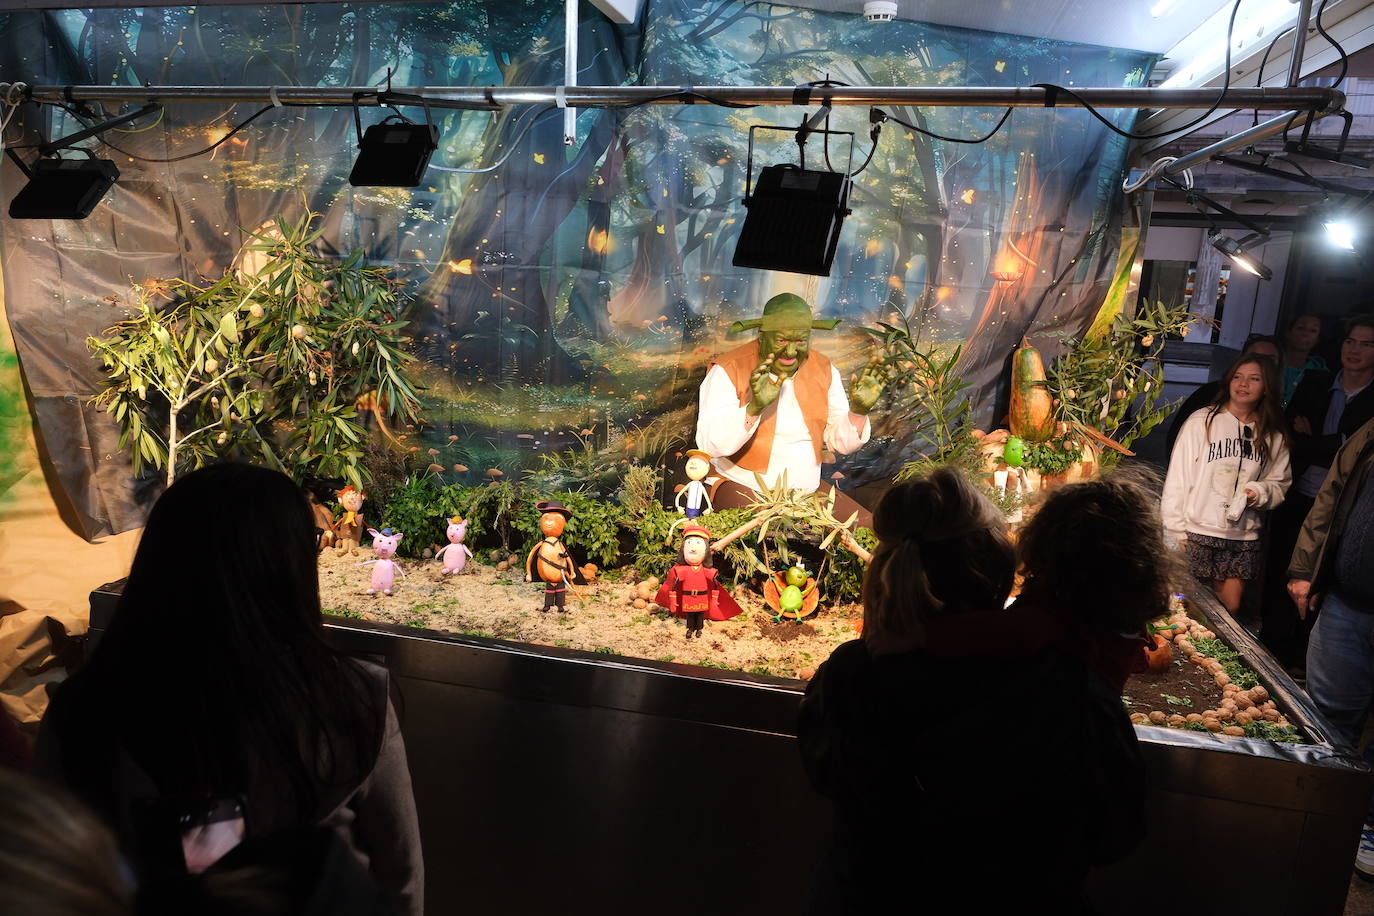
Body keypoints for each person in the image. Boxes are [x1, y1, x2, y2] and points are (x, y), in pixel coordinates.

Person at [33, 463, 423, 916]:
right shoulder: (355, 696)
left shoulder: (84, 707)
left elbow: (46, 879)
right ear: (287, 563)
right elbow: (400, 873)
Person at [797, 469, 1143, 915]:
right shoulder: (1068, 685)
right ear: (997, 570)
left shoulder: (851, 673)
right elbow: (1117, 833)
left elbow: (830, 778)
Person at [695, 293, 889, 527]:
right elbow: (711, 446)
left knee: (868, 532)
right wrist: (754, 407)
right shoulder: (728, 369)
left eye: (799, 342)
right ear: (761, 336)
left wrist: (858, 412)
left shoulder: (825, 369)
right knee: (767, 536)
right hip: (741, 484)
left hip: (807, 491)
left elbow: (842, 444)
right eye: (781, 341)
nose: (790, 353)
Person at [1284, 417, 1374, 878]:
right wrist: (1306, 568)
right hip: (1348, 601)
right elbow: (1332, 496)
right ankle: (1313, 819)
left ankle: (1370, 826)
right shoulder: (1371, 430)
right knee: (1326, 718)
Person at [1262, 314, 1374, 667]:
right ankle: (1269, 657)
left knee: (1317, 587)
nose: (1355, 350)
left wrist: (1315, 440)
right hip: (1299, 494)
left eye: (1366, 344)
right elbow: (1287, 437)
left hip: (1343, 507)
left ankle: (1301, 663)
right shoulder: (1316, 381)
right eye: (1350, 341)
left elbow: (1346, 453)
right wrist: (1322, 443)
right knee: (1281, 572)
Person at [1163, 354, 1291, 616]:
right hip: (1196, 531)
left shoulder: (1272, 433)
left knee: (1228, 610)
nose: (1243, 384)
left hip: (1241, 537)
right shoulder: (1203, 421)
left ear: (1266, 386)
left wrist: (1259, 492)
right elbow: (1178, 477)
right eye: (1238, 377)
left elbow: (1280, 483)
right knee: (1180, 606)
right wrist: (1174, 532)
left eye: (1254, 379)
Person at [1165, 334, 1281, 457]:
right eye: (1255, 357)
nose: (1260, 365)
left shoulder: (1275, 416)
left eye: (1270, 359)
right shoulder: (1206, 399)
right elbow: (1177, 446)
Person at [1280, 313, 1328, 406]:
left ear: (1317, 339)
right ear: (1288, 333)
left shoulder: (1320, 370)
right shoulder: (1272, 362)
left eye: (1313, 330)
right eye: (1300, 328)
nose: (1305, 334)